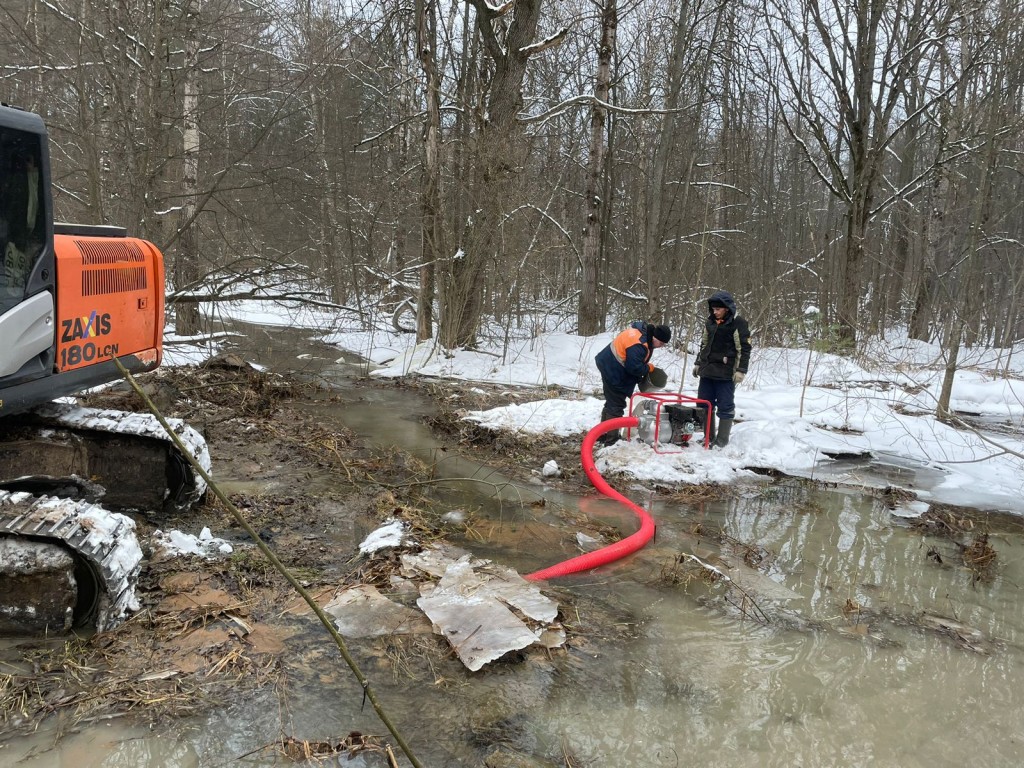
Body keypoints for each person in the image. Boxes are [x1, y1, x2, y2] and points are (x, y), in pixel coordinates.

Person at [595, 321, 672, 445]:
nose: (661, 346)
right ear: (655, 337)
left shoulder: (643, 334)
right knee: (616, 405)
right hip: (611, 368)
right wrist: (648, 368)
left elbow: (633, 364)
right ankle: (611, 440)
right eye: (661, 343)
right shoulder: (639, 344)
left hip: (609, 362)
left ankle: (602, 433)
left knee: (612, 402)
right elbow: (634, 368)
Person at [692, 291, 751, 448]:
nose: (715, 312)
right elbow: (704, 345)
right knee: (704, 404)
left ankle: (722, 440)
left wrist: (741, 370)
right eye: (713, 309)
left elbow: (744, 349)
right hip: (707, 370)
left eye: (718, 309)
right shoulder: (709, 323)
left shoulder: (738, 323)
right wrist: (698, 363)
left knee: (725, 406)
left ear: (727, 309)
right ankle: (708, 437)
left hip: (725, 373)